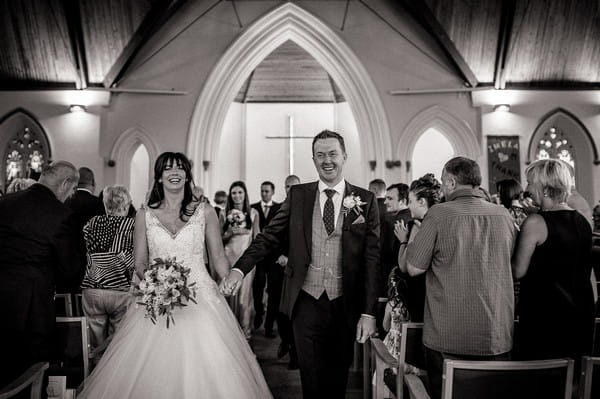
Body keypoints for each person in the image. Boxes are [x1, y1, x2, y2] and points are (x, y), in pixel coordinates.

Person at [77, 152, 272, 398]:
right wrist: (158, 284)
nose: (174, 172)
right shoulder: (144, 215)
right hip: (157, 301)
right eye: (168, 168)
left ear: (187, 175)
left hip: (201, 298)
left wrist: (231, 277)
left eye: (180, 168)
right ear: (159, 177)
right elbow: (139, 263)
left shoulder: (205, 212)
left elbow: (218, 257)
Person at [222, 130, 380, 399]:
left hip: (345, 303)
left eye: (332, 154)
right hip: (305, 301)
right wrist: (239, 268)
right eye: (320, 155)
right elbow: (268, 237)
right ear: (313, 159)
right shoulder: (298, 196)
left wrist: (369, 312)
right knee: (311, 378)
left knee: (337, 378)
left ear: (344, 156)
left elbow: (372, 260)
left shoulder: (365, 200)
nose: (326, 160)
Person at [404, 157, 516, 399]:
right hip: (494, 335)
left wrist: (411, 239)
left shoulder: (438, 214)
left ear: (452, 182)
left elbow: (413, 268)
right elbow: (513, 266)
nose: (442, 189)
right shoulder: (504, 215)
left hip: (449, 337)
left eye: (444, 184)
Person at [0, 161, 81, 387]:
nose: (71, 196)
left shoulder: (5, 202)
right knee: (27, 376)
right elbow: (70, 270)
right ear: (66, 184)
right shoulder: (62, 215)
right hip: (32, 309)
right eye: (73, 191)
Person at [512, 159, 595, 367]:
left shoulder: (536, 223)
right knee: (571, 379)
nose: (527, 189)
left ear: (546, 189)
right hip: (580, 313)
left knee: (541, 380)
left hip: (546, 315)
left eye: (531, 183)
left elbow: (517, 271)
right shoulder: (582, 221)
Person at [80, 186, 136, 365]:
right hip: (121, 288)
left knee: (93, 344)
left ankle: (93, 378)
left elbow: (87, 252)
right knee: (117, 342)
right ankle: (111, 381)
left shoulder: (91, 223)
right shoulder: (132, 226)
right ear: (127, 205)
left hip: (93, 287)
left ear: (105, 204)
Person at [393, 173, 442, 322]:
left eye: (410, 201)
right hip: (436, 292)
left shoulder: (415, 225)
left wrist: (403, 241)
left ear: (421, 201)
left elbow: (403, 266)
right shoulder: (441, 221)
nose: (408, 205)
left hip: (418, 291)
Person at [220, 181, 260, 339]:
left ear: (245, 194)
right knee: (227, 295)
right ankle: (227, 332)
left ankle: (245, 333)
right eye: (234, 193)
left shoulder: (253, 213)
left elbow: (258, 239)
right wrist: (229, 233)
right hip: (227, 257)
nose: (237, 196)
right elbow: (217, 239)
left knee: (244, 298)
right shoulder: (224, 213)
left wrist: (245, 231)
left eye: (240, 192)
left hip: (246, 260)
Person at [274, 175, 301, 370]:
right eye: (288, 186)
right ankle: (285, 340)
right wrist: (279, 256)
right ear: (284, 188)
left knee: (294, 312)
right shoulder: (277, 209)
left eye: (295, 187)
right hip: (277, 266)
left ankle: (295, 353)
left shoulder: (306, 209)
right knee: (278, 310)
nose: (291, 189)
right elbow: (270, 236)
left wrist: (292, 259)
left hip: (298, 268)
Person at [64, 167, 105, 291]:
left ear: (75, 183)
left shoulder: (65, 201)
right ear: (93, 183)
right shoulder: (98, 203)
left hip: (67, 259)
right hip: (91, 262)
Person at [251, 181, 281, 336]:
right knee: (257, 286)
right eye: (262, 191)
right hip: (259, 256)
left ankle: (269, 325)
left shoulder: (279, 208)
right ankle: (258, 311)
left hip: (274, 256)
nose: (264, 194)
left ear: (273, 192)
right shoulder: (253, 208)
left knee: (274, 291)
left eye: (267, 191)